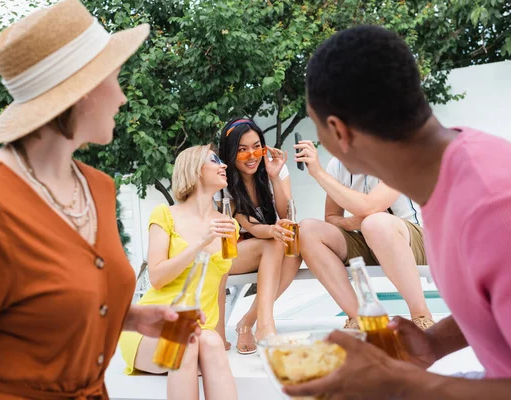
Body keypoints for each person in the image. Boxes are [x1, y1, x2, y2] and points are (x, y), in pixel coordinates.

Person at [0, 0, 201, 398]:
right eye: (115, 79)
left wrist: (133, 318)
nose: (121, 97)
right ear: (82, 92)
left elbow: (47, 308)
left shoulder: (98, 188)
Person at [284, 25, 511, 399]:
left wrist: (402, 385)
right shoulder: (456, 171)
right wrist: (435, 342)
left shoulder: (498, 207)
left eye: (316, 128)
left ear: (338, 131)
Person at [119, 145, 237, 400]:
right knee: (187, 343)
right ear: (194, 170)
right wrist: (200, 243)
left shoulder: (230, 226)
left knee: (210, 342)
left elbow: (219, 285)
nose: (224, 164)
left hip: (196, 329)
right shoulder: (165, 215)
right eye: (214, 160)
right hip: (152, 328)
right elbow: (157, 277)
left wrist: (221, 335)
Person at [295, 141, 433, 330]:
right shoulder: (338, 164)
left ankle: (421, 315)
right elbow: (332, 217)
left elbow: (370, 207)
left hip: (411, 240)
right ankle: (361, 319)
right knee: (306, 230)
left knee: (375, 222)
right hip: (366, 241)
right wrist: (348, 223)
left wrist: (318, 172)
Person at [215, 118, 301, 354]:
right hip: (227, 253)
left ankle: (248, 322)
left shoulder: (275, 169)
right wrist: (273, 231)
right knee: (273, 244)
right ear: (231, 153)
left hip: (264, 246)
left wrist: (274, 177)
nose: (251, 155)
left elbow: (286, 215)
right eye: (242, 150)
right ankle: (265, 325)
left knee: (294, 251)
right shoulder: (223, 180)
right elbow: (251, 227)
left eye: (256, 146)